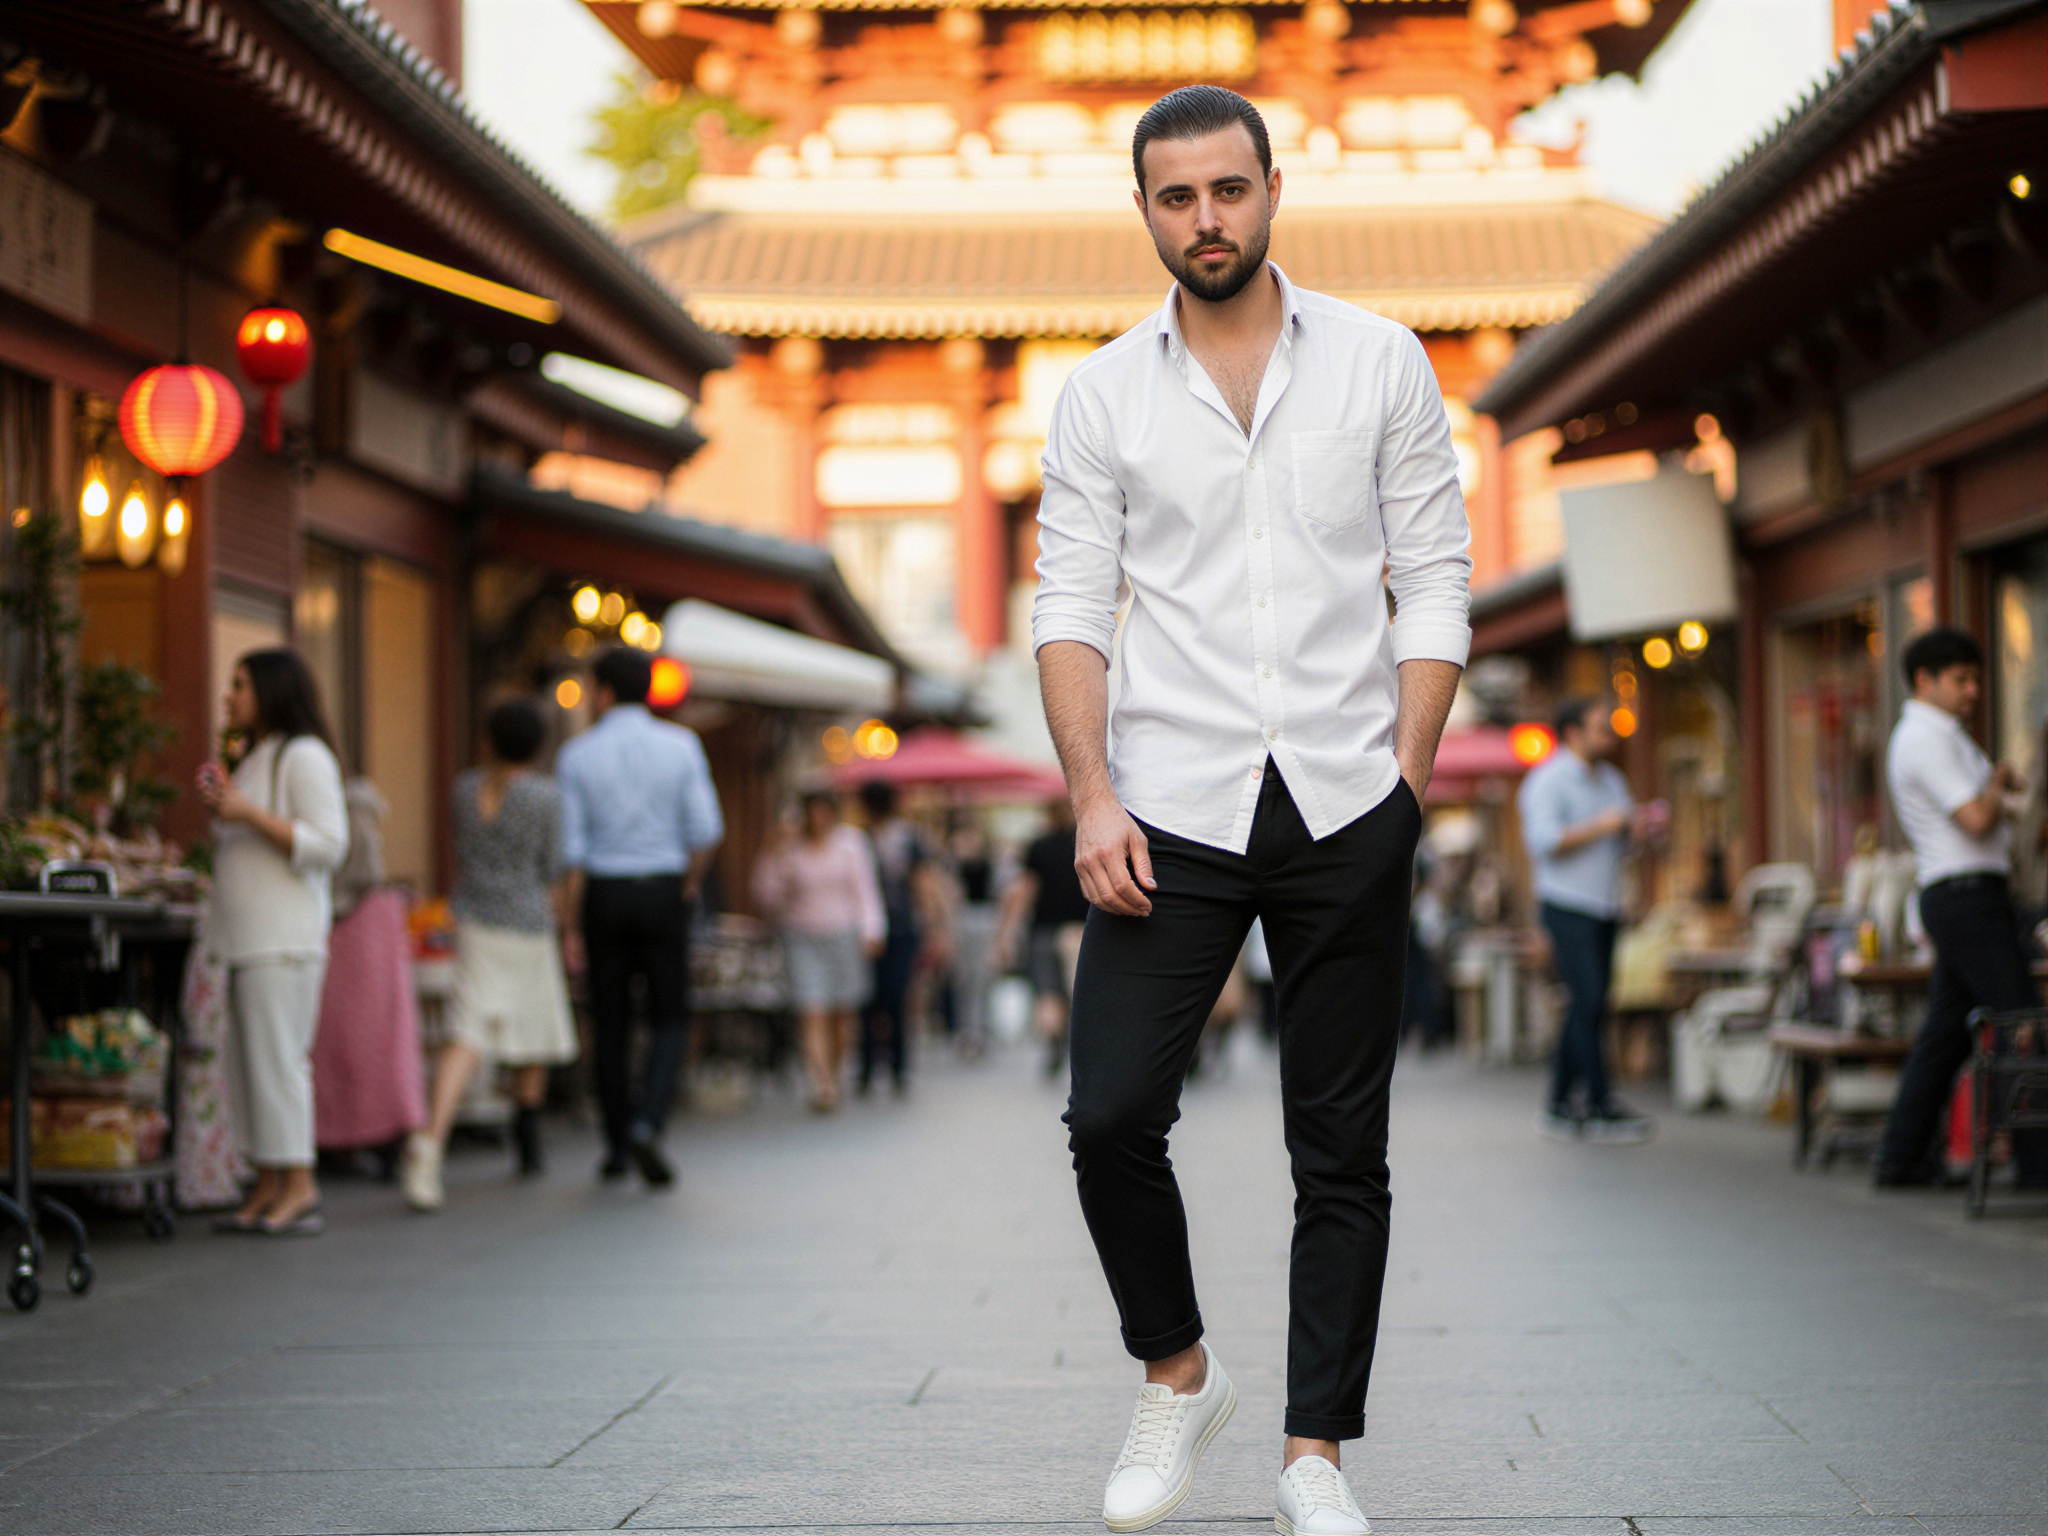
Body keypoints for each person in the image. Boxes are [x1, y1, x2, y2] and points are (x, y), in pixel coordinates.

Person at [1032, 86, 1470, 1536]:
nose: (1206, 220)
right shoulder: (1102, 394)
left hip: (1349, 798)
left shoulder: (1380, 361)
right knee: (1109, 1114)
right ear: (1144, 211)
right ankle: (1177, 1372)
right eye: (1177, 197)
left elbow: (1435, 578)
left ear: (1272, 188)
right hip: (1169, 806)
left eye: (1228, 189)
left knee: (1339, 1152)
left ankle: (1312, 1457)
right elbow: (1071, 604)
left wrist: (1405, 785)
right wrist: (1091, 795)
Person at [1873, 628, 2047, 1188]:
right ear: (1925, 680)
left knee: (1946, 1035)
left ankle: (1901, 1155)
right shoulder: (1925, 738)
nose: (1972, 690)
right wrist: (1996, 785)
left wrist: (1999, 791)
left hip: (1964, 894)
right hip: (1965, 895)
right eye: (1961, 679)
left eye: (1976, 678)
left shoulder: (1945, 736)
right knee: (2021, 1020)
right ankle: (2038, 1162)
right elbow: (1974, 818)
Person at [402, 699, 580, 1211]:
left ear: (489, 740)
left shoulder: (464, 790)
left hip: (475, 922)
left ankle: (431, 1140)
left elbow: (461, 851)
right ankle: (528, 1134)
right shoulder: (547, 796)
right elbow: (555, 868)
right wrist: (568, 928)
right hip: (528, 924)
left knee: (467, 1033)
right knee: (534, 1026)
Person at [557, 648, 724, 1188]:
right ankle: (649, 1120)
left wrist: (569, 925)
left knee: (610, 1021)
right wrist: (690, 881)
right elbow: (706, 828)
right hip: (662, 888)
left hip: (604, 893)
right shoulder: (681, 745)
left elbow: (571, 851)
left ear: (603, 692)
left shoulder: (577, 754)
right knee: (670, 1015)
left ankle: (615, 1145)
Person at [197, 649, 349, 1237]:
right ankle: (267, 1181)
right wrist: (229, 806)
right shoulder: (257, 755)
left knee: (279, 1063)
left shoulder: (303, 755)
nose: (229, 695)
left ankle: (300, 1186)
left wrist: (246, 812)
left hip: (283, 939)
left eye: (239, 685)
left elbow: (329, 843)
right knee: (248, 1067)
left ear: (272, 690)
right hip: (248, 938)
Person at [1518, 698, 1659, 1145]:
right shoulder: (1548, 780)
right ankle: (1599, 1103)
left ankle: (1559, 1104)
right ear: (1573, 732)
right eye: (1601, 727)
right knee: (1590, 1000)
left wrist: (1640, 832)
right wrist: (1604, 824)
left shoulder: (1613, 780)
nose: (1609, 736)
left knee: (1589, 1003)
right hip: (1566, 904)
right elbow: (1543, 842)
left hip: (1605, 905)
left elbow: (1621, 843)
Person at [752, 790, 886, 1111]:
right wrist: (773, 852)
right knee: (811, 1009)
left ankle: (834, 1072)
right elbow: (766, 895)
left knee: (842, 1012)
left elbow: (865, 890)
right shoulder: (790, 848)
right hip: (801, 936)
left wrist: (872, 929)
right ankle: (821, 1082)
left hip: (843, 933)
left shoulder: (850, 843)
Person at [994, 798, 1091, 1077]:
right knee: (1079, 992)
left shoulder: (1039, 846)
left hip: (1045, 930)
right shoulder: (1090, 842)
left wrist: (1006, 933)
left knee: (1047, 991)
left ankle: (1053, 1044)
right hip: (1081, 929)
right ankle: (1080, 1047)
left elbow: (1025, 891)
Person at [857, 780, 929, 1095]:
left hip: (888, 928)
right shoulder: (900, 837)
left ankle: (871, 1067)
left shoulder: (868, 837)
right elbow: (922, 884)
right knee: (889, 997)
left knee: (876, 998)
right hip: (897, 927)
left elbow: (921, 882)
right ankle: (892, 1066)